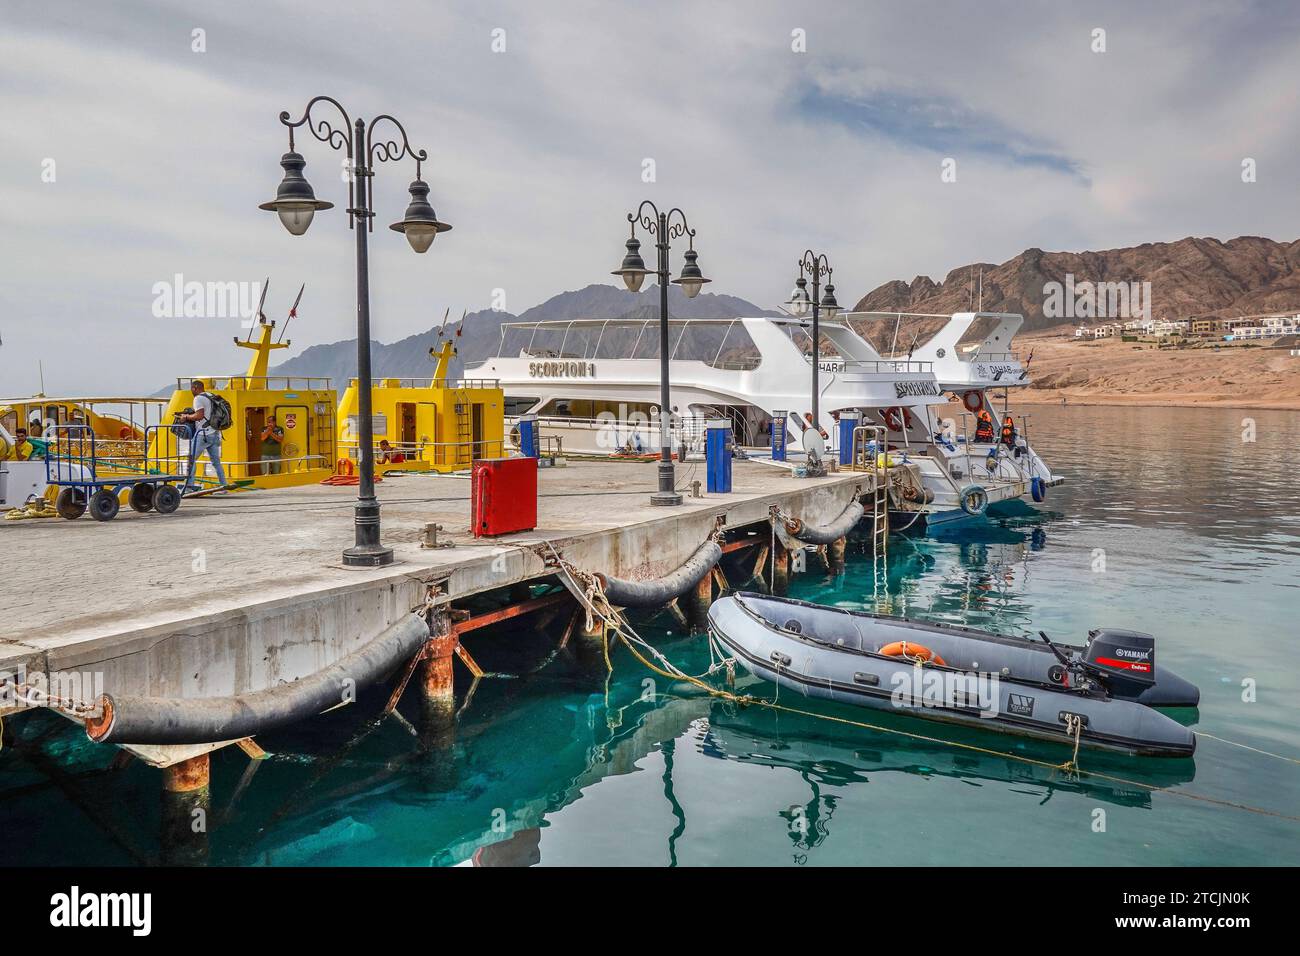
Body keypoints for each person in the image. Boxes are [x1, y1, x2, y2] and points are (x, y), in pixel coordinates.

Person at [177, 380, 227, 493]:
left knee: (191, 459)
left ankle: (189, 487)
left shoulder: (198, 398)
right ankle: (224, 486)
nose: (191, 391)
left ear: (195, 388)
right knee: (216, 462)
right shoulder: (210, 395)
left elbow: (199, 416)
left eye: (191, 389)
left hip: (203, 434)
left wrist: (186, 416)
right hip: (214, 433)